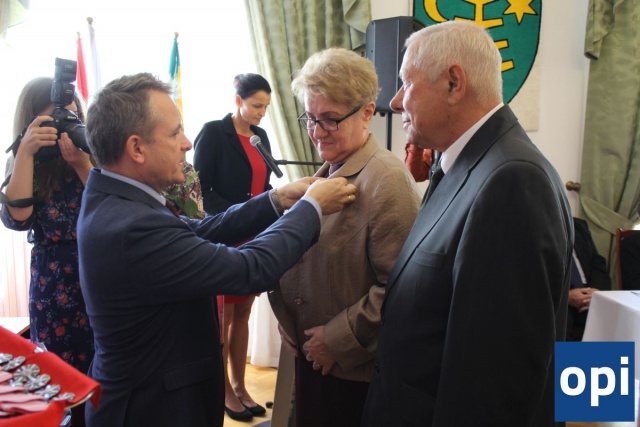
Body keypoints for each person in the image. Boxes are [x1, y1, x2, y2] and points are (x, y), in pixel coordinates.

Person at [77, 72, 356, 427]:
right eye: (175, 133)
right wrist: (311, 208)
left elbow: (199, 230)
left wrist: (276, 199)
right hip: (153, 408)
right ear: (136, 148)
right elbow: (248, 268)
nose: (186, 143)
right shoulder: (131, 226)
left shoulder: (117, 198)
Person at [361, 21, 572, 427]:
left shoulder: (511, 181)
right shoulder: (466, 163)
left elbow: (494, 383)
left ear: (453, 83)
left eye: (407, 82)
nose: (396, 101)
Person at [268, 47, 420, 427]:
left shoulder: (387, 180)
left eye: (330, 119)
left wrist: (335, 340)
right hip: (315, 361)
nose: (316, 132)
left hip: (352, 374)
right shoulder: (329, 170)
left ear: (367, 112)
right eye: (310, 117)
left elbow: (399, 290)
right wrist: (288, 319)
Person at [0, 77, 94, 426]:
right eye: (56, 119)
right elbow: (18, 218)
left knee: (104, 371)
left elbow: (110, 206)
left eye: (72, 117)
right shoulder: (26, 160)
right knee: (59, 377)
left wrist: (82, 164)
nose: (64, 127)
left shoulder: (89, 152)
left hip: (99, 271)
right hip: (53, 283)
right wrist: (26, 152)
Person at [192, 73, 274, 420]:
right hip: (225, 231)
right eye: (256, 106)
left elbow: (264, 185)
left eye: (266, 107)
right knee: (223, 319)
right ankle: (224, 389)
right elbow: (200, 188)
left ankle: (240, 386)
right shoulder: (213, 132)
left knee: (244, 314)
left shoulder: (260, 137)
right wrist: (237, 215)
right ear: (238, 100)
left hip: (254, 233)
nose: (261, 113)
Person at [567, 217, 611, 341]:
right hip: (562, 298)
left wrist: (596, 291)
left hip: (590, 291)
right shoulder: (535, 228)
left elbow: (597, 262)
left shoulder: (578, 225)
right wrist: (567, 296)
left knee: (623, 320)